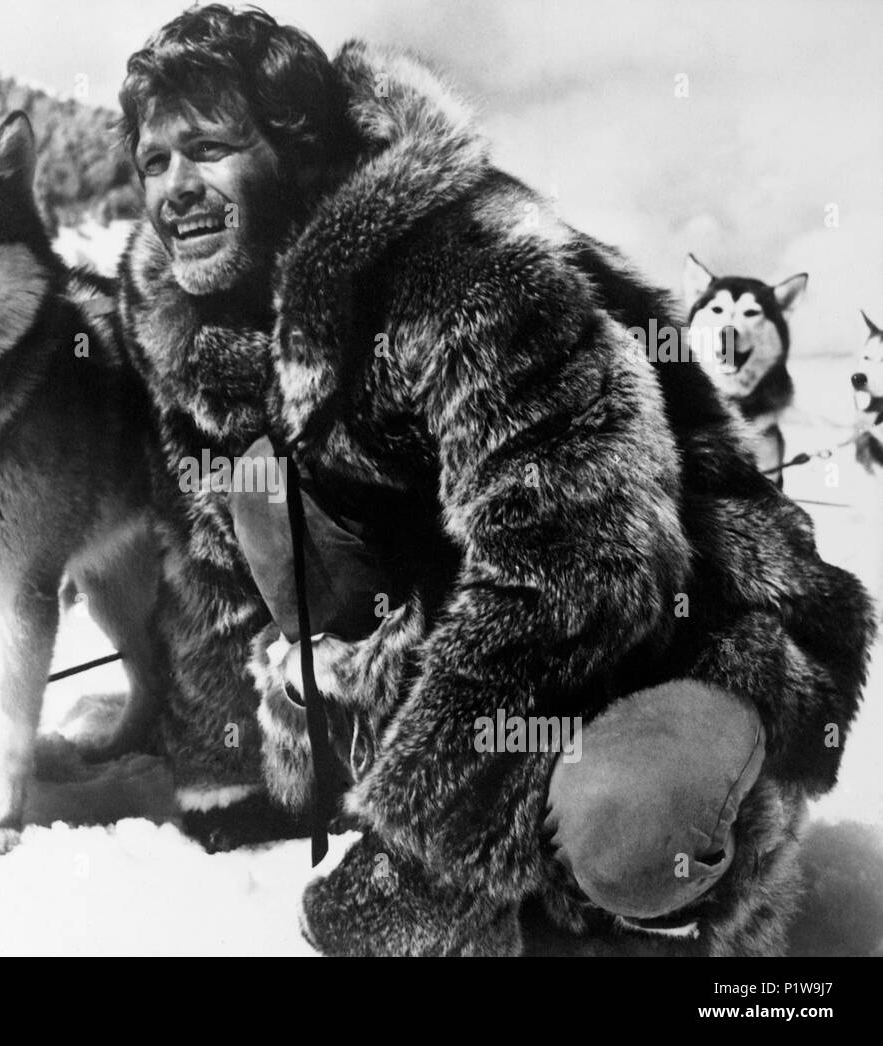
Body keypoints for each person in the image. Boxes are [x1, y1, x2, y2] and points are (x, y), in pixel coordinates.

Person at [116, 4, 873, 954]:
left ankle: (674, 880)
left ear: (298, 150)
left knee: (630, 829)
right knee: (259, 490)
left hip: (688, 623)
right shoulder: (211, 331)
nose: (174, 188)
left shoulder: (466, 259)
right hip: (472, 633)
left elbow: (582, 564)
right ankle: (486, 821)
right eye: (153, 161)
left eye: (210, 148)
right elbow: (214, 582)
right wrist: (236, 782)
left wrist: (420, 857)